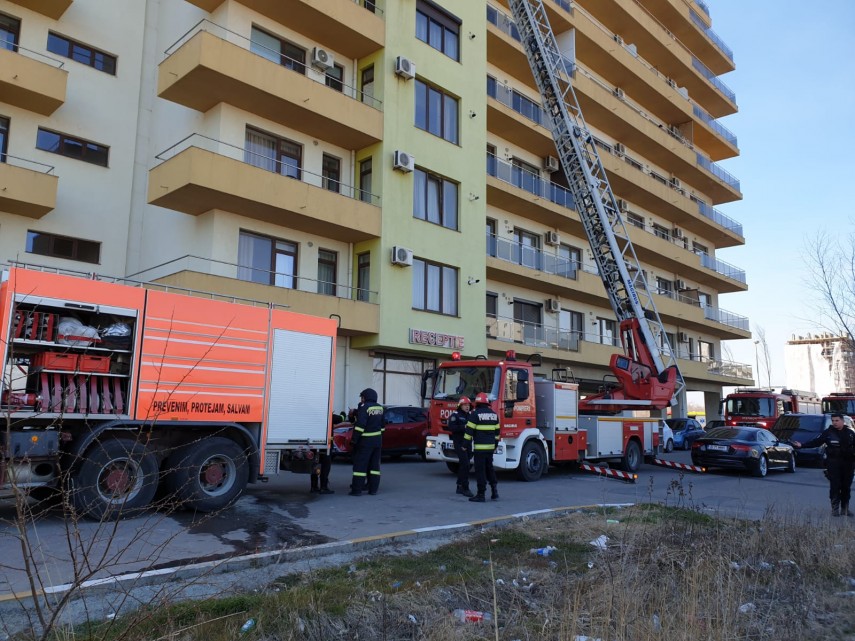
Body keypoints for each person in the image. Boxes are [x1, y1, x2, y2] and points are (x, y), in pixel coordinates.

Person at [793, 413, 855, 516]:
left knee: (846, 487)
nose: (834, 423)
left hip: (848, 463)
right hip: (833, 463)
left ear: (842, 421)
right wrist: (802, 445)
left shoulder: (850, 433)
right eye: (833, 420)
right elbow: (816, 442)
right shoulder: (828, 433)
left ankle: (845, 508)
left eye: (837, 420)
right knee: (835, 486)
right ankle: (835, 508)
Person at [464, 392, 500, 502]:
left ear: (477, 403)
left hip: (480, 448)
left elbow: (468, 432)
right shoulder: (494, 415)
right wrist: (495, 446)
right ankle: (494, 491)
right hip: (490, 448)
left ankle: (481, 494)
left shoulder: (474, 415)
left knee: (480, 471)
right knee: (490, 469)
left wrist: (465, 445)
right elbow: (497, 433)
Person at [349, 388, 385, 496]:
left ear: (365, 397)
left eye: (362, 397)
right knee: (374, 466)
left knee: (360, 466)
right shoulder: (380, 408)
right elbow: (383, 426)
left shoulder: (365, 407)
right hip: (377, 441)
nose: (361, 400)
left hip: (365, 442)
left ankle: (356, 490)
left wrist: (354, 440)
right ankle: (373, 490)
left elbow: (360, 426)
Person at [447, 396, 473, 497]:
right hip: (459, 443)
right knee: (466, 464)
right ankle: (465, 488)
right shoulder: (455, 415)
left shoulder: (470, 415)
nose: (467, 407)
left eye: (468, 405)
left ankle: (459, 485)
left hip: (468, 443)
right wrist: (464, 427)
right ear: (460, 406)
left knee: (464, 465)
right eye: (465, 405)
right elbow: (451, 427)